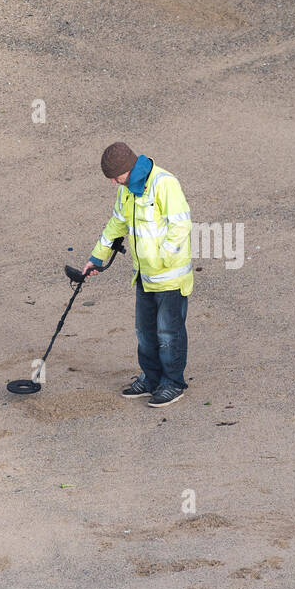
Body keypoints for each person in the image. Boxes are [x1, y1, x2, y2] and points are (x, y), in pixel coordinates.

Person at [82, 142, 193, 407]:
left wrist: (163, 258)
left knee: (168, 333)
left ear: (128, 169)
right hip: (144, 276)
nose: (113, 183)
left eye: (115, 177)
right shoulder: (127, 190)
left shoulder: (164, 183)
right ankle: (152, 379)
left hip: (168, 277)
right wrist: (97, 257)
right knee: (145, 332)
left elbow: (181, 225)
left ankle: (172, 383)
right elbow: (117, 223)